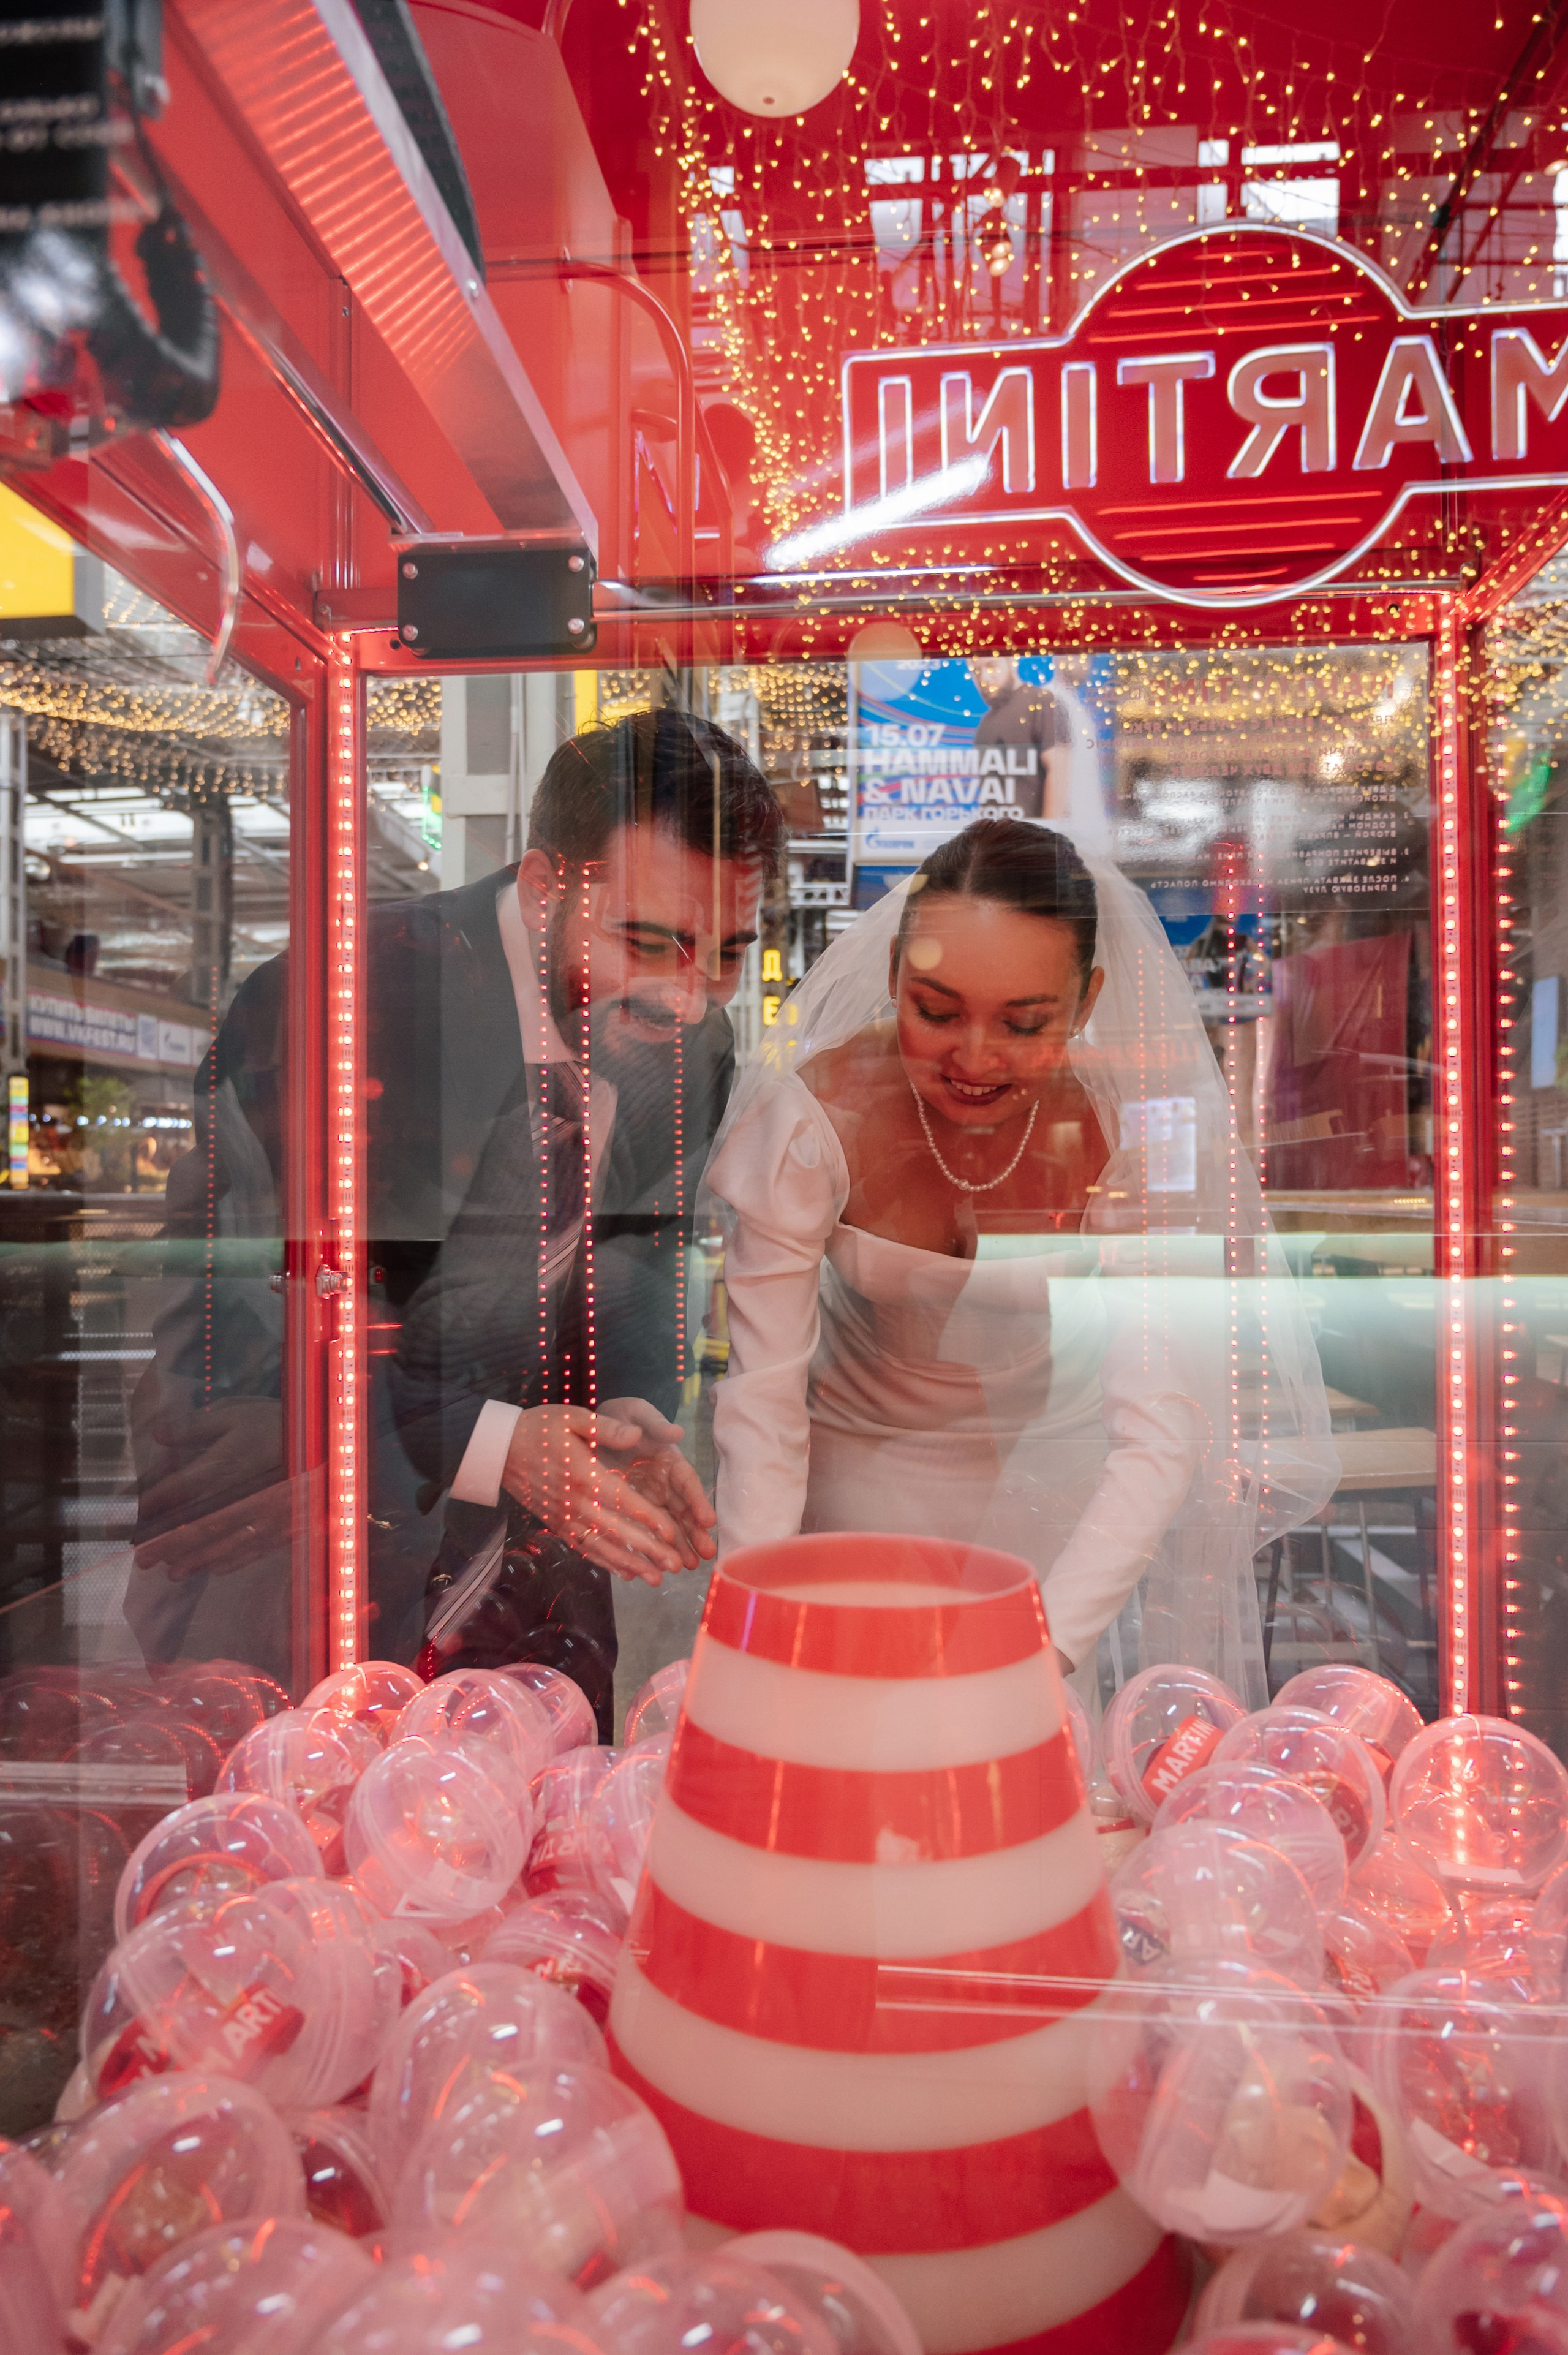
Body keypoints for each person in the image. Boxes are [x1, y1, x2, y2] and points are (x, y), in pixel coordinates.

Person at [129, 708, 784, 1733]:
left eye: (731, 953)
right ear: (541, 887)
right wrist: (492, 1445)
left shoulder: (693, 1048)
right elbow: (238, 1350)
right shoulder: (347, 998)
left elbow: (628, 1257)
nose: (695, 997)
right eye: (649, 942)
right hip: (317, 1582)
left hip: (537, 1621)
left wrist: (632, 1420)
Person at [704, 817, 1337, 1705]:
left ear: (1086, 1004)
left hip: (1071, 1493)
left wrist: (1045, 1647)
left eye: (1025, 1023)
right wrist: (752, 1623)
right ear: (893, 977)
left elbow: (1161, 1426)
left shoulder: (1133, 1131)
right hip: (857, 1484)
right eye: (937, 1010)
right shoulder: (812, 1122)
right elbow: (763, 1409)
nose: (975, 1058)